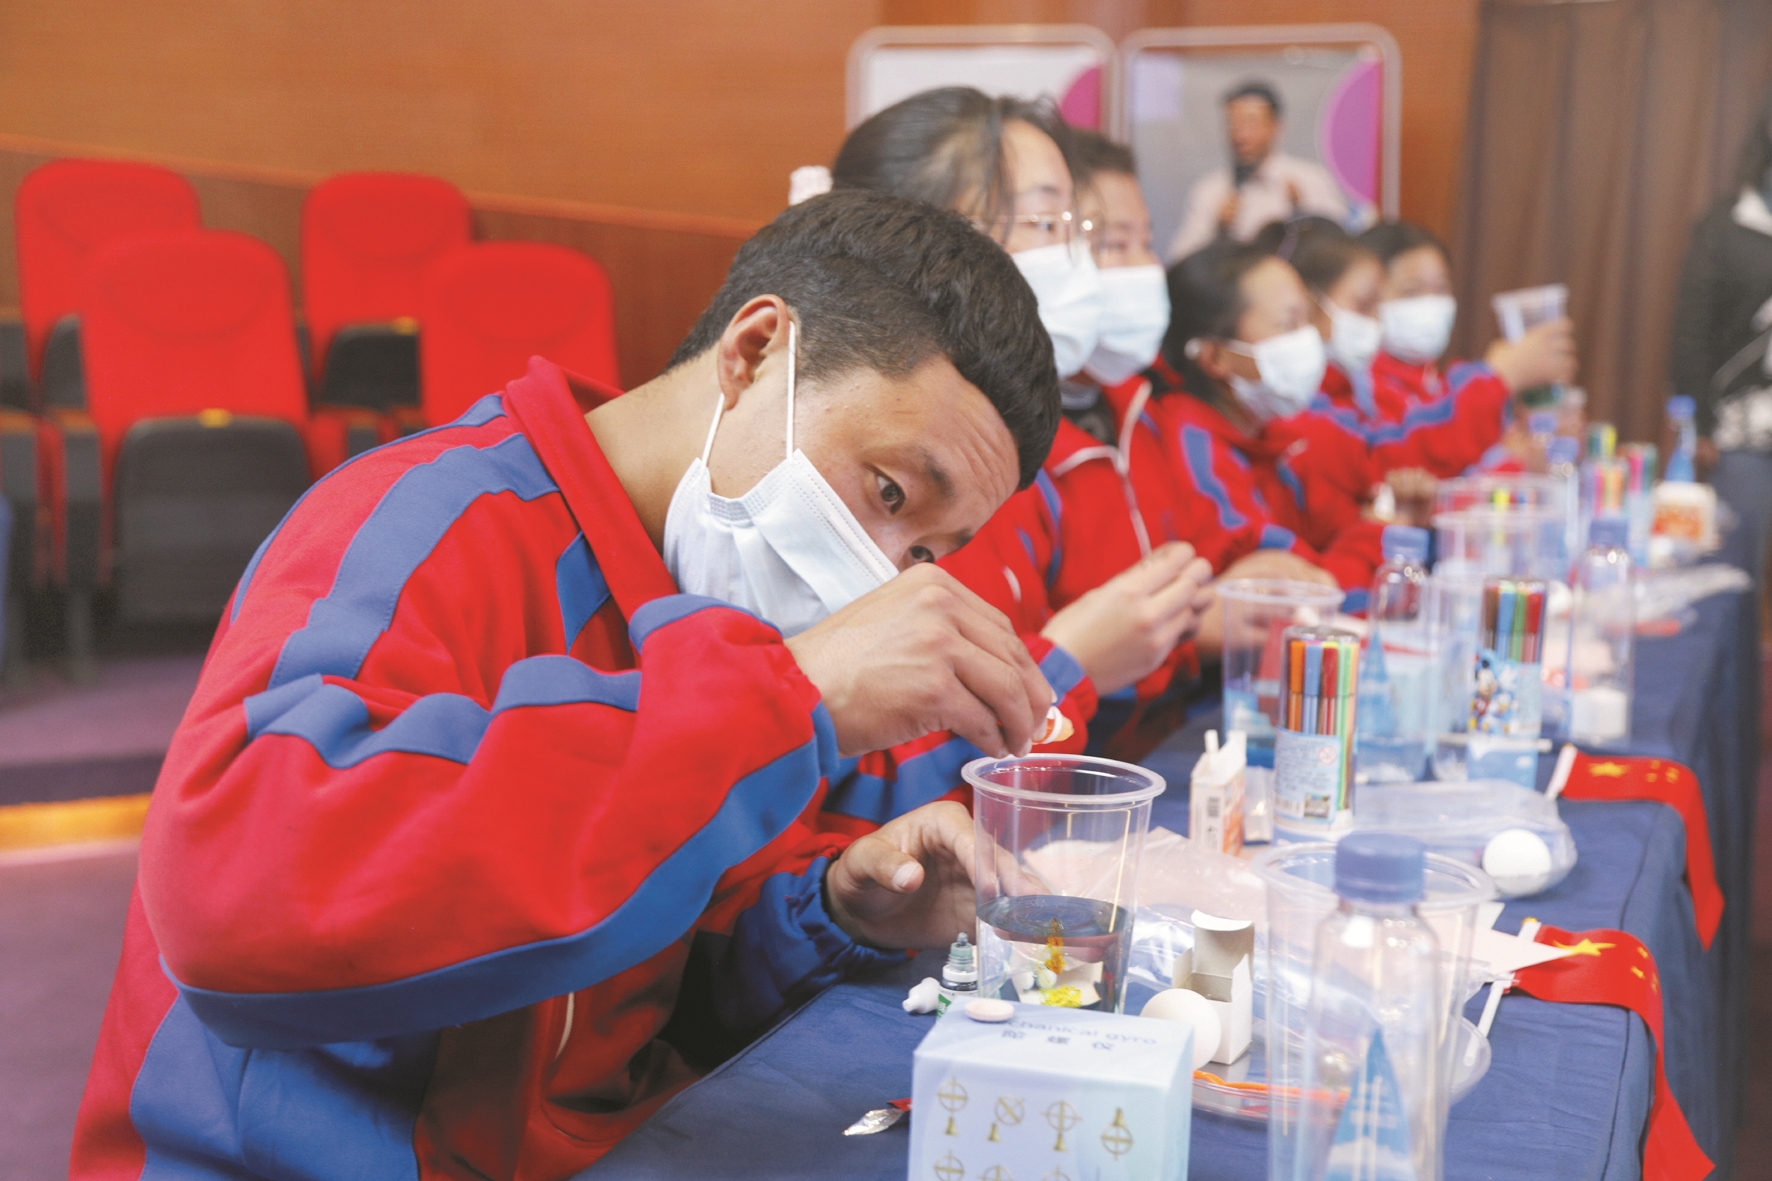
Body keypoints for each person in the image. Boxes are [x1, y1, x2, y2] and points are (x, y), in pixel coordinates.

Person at [71, 189, 1072, 1180]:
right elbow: (232, 894)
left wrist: (837, 907)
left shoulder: (719, 620)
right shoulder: (427, 521)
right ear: (755, 350)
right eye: (887, 491)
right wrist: (786, 697)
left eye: (923, 553)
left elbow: (638, 979)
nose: (880, 572)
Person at [825, 89, 1215, 785]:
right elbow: (888, 770)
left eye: (1077, 228)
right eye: (1047, 224)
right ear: (917, 235)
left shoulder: (1008, 438)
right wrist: (1071, 662)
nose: (1080, 261)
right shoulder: (885, 464)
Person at [1149, 242, 1383, 604]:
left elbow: (1336, 523)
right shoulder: (1195, 456)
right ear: (1215, 358)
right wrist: (1381, 533)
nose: (1309, 340)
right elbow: (1307, 594)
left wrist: (1373, 527)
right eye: (1288, 324)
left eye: (1307, 320)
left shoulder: (1271, 436)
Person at [1671, 85, 1772, 578]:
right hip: (1741, 437)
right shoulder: (1726, 226)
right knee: (1737, 572)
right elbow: (1691, 331)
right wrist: (1700, 426)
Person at [1358, 220, 1577, 446]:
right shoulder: (1362, 393)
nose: (1431, 304)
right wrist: (1499, 376)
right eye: (1411, 291)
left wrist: (1536, 432)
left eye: (1441, 288)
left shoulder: (1442, 384)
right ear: (1366, 300)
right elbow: (1420, 452)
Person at [1168, 81, 1352, 261]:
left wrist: (1305, 214)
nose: (1241, 135)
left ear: (1276, 125)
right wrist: (1217, 230)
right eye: (1233, 124)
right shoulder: (1210, 190)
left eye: (1251, 123)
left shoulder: (1310, 180)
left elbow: (1344, 251)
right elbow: (1178, 260)